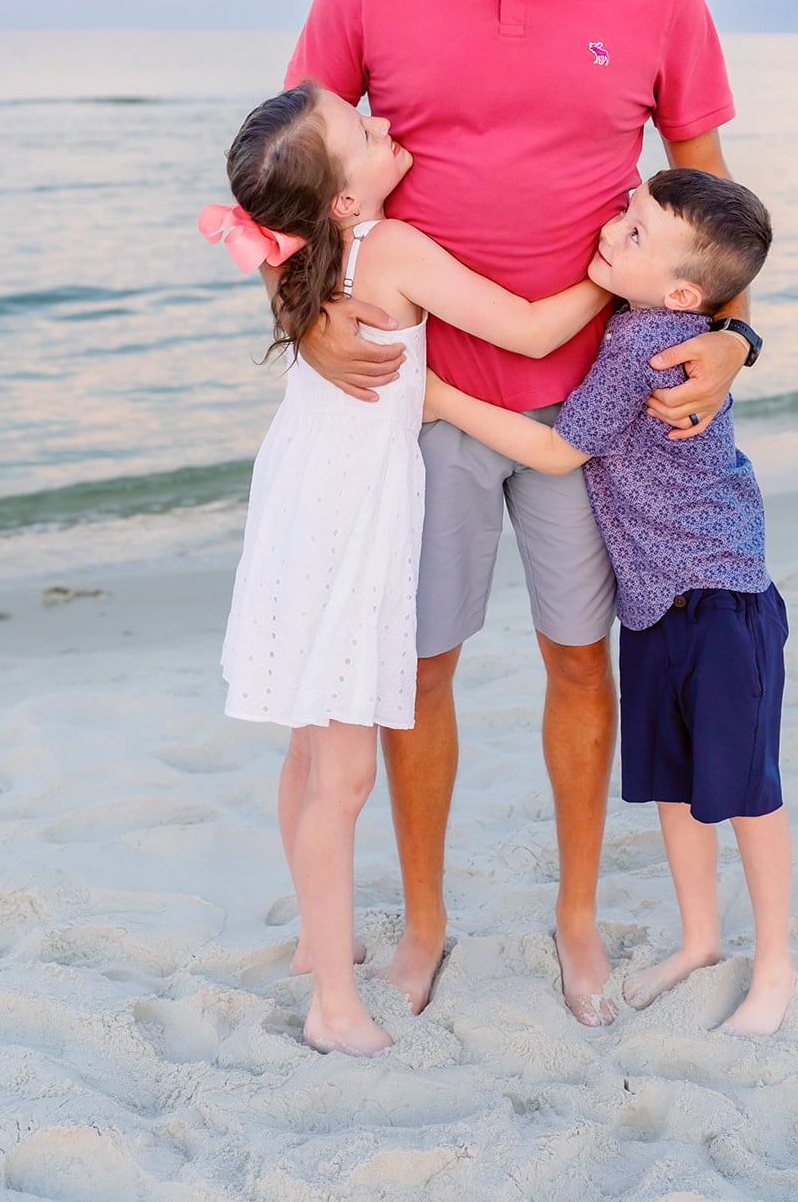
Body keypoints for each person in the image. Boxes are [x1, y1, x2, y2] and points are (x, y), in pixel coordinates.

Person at [283, 0, 762, 1024]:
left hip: (585, 415)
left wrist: (732, 339)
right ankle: (426, 921)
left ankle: (575, 918)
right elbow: (286, 182)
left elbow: (713, 211)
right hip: (420, 406)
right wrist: (311, 318)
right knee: (417, 669)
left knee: (576, 664)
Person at [201, 81, 610, 1055]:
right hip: (348, 518)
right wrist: (610, 272)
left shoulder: (305, 248)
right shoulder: (386, 246)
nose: (385, 125)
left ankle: (313, 937)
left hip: (299, 495)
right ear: (341, 199)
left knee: (309, 747)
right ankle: (334, 1003)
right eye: (364, 130)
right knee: (339, 775)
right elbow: (528, 330)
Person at [424, 170, 798, 1035]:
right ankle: (700, 939)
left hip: (716, 593)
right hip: (656, 600)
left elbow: (558, 452)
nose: (611, 231)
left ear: (678, 290)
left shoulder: (642, 344)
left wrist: (441, 397)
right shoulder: (647, 319)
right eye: (624, 216)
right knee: (675, 779)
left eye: (632, 233)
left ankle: (774, 961)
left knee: (747, 787)